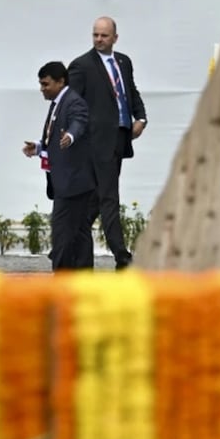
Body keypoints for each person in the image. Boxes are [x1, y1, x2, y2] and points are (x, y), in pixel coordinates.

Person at [67, 16, 147, 270]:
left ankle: (64, 243)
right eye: (95, 35)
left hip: (120, 138)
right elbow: (72, 104)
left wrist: (141, 118)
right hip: (96, 142)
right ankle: (122, 256)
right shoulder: (81, 65)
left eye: (104, 35)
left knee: (96, 199)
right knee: (109, 198)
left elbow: (130, 92)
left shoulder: (123, 62)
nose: (99, 39)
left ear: (115, 37)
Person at [22, 62, 95, 271]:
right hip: (70, 181)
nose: (42, 89)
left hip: (72, 183)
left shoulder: (74, 102)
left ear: (61, 81)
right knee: (80, 232)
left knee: (62, 233)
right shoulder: (57, 103)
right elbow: (53, 139)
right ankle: (83, 276)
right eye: (40, 84)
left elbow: (78, 123)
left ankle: (62, 279)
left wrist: (70, 136)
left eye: (46, 84)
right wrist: (38, 148)